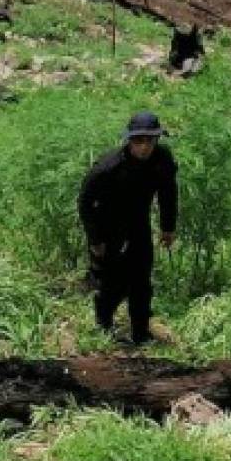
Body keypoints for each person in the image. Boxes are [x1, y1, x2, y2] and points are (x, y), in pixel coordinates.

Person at [78, 111, 178, 345]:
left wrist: (168, 227)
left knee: (141, 280)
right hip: (107, 225)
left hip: (138, 223)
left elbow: (168, 193)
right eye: (138, 141)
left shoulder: (162, 160)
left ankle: (140, 334)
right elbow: (85, 202)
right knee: (113, 281)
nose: (144, 147)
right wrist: (95, 240)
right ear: (129, 141)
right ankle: (103, 325)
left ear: (156, 140)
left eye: (149, 141)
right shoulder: (108, 167)